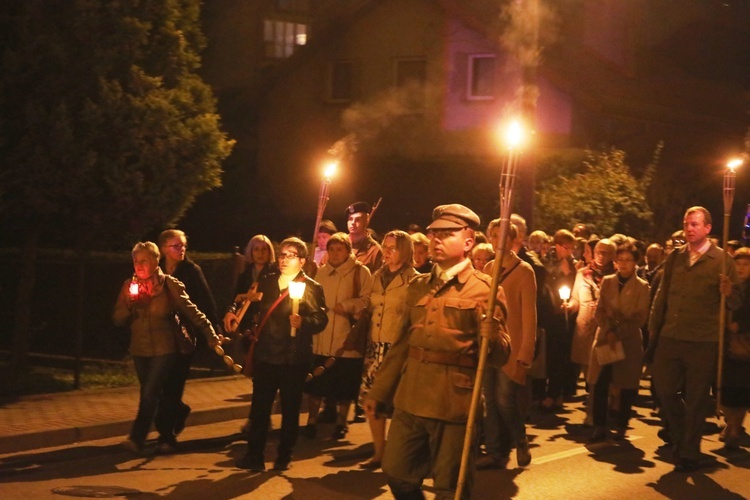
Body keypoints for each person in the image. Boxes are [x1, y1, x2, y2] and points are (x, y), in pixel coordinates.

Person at [364, 204, 508, 500]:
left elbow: (500, 355)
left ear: (468, 242)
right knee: (396, 471)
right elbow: (402, 344)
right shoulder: (418, 286)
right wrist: (379, 391)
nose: (436, 240)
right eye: (434, 234)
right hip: (411, 396)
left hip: (454, 403)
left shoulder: (485, 289)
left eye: (447, 234)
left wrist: (493, 336)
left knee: (450, 488)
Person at [649, 206, 739, 472]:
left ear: (708, 228)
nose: (689, 228)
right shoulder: (675, 257)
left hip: (703, 339)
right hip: (670, 335)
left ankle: (689, 450)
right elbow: (662, 295)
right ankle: (680, 437)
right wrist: (654, 327)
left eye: (695, 224)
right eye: (687, 223)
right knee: (664, 391)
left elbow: (736, 301)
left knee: (697, 398)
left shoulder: (723, 260)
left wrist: (729, 291)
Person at [226, 237, 328, 472]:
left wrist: (303, 321)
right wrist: (234, 314)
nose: (283, 259)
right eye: (281, 254)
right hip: (266, 355)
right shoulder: (268, 280)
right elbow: (247, 301)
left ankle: (284, 455)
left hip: (293, 358)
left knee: (290, 409)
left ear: (302, 261)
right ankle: (254, 455)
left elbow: (321, 318)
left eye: (290, 255)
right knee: (260, 409)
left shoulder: (311, 286)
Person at [113, 242, 221, 454]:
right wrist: (129, 306)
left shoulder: (169, 285)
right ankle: (175, 419)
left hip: (165, 348)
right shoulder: (129, 286)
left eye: (144, 260)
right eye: (136, 260)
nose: (139, 265)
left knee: (149, 392)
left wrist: (211, 334)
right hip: (139, 349)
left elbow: (193, 312)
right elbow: (117, 318)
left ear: (155, 261)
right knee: (156, 393)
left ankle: (137, 438)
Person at [155, 229, 222, 453]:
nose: (181, 249)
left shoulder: (192, 271)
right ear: (164, 249)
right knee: (159, 385)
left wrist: (214, 330)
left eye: (183, 245)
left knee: (174, 383)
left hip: (183, 336)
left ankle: (166, 436)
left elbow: (206, 300)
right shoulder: (155, 271)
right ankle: (179, 411)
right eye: (176, 246)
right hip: (159, 336)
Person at [478, 221, 537, 470]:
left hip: (512, 346)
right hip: (490, 344)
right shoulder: (489, 268)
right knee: (488, 400)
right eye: (492, 236)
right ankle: (495, 451)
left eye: (500, 236)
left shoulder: (524, 271)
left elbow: (529, 316)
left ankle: (520, 438)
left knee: (504, 399)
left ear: (512, 240)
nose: (495, 241)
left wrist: (525, 354)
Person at [302, 232, 371, 440]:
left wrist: (349, 306)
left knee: (344, 385)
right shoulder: (321, 272)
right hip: (321, 338)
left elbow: (368, 299)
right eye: (331, 249)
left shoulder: (360, 272)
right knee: (316, 385)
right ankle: (311, 421)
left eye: (339, 249)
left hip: (345, 338)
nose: (334, 253)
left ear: (348, 251)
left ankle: (342, 422)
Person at [359, 230, 417, 469]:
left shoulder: (414, 280)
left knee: (397, 403)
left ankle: (398, 454)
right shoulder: (376, 276)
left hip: (397, 348)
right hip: (375, 345)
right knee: (371, 400)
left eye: (393, 247)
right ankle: (379, 452)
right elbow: (366, 303)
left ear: (405, 251)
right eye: (385, 246)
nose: (387, 251)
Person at [587, 242, 650, 442]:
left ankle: (622, 424)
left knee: (627, 384)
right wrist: (609, 328)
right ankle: (599, 425)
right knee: (600, 382)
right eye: (620, 259)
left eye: (628, 260)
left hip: (628, 340)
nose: (623, 264)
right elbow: (600, 309)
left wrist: (619, 330)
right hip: (606, 338)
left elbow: (640, 317)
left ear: (635, 263)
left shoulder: (642, 286)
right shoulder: (607, 281)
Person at [232, 234, 276, 434]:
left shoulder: (273, 274)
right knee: (257, 378)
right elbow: (235, 298)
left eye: (264, 249)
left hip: (267, 329)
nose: (260, 253)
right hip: (249, 330)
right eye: (256, 249)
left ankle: (258, 420)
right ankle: (259, 419)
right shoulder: (245, 274)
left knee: (262, 378)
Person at [540, 229, 579, 411]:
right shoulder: (546, 260)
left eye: (572, 248)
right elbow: (545, 278)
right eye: (567, 247)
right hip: (548, 312)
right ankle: (547, 393)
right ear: (557, 246)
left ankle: (557, 392)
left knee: (560, 355)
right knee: (547, 354)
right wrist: (559, 273)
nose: (570, 251)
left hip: (564, 313)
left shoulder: (571, 263)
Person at [721, 247, 750, 449]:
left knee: (741, 388)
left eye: (745, 264)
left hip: (745, 344)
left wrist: (741, 325)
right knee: (725, 387)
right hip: (726, 342)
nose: (741, 268)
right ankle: (730, 423)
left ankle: (734, 428)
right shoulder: (728, 285)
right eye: (737, 264)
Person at [345, 201, 383, 272]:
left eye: (358, 219)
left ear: (367, 221)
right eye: (350, 219)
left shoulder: (375, 251)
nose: (353, 223)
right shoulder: (338, 244)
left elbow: (378, 279)